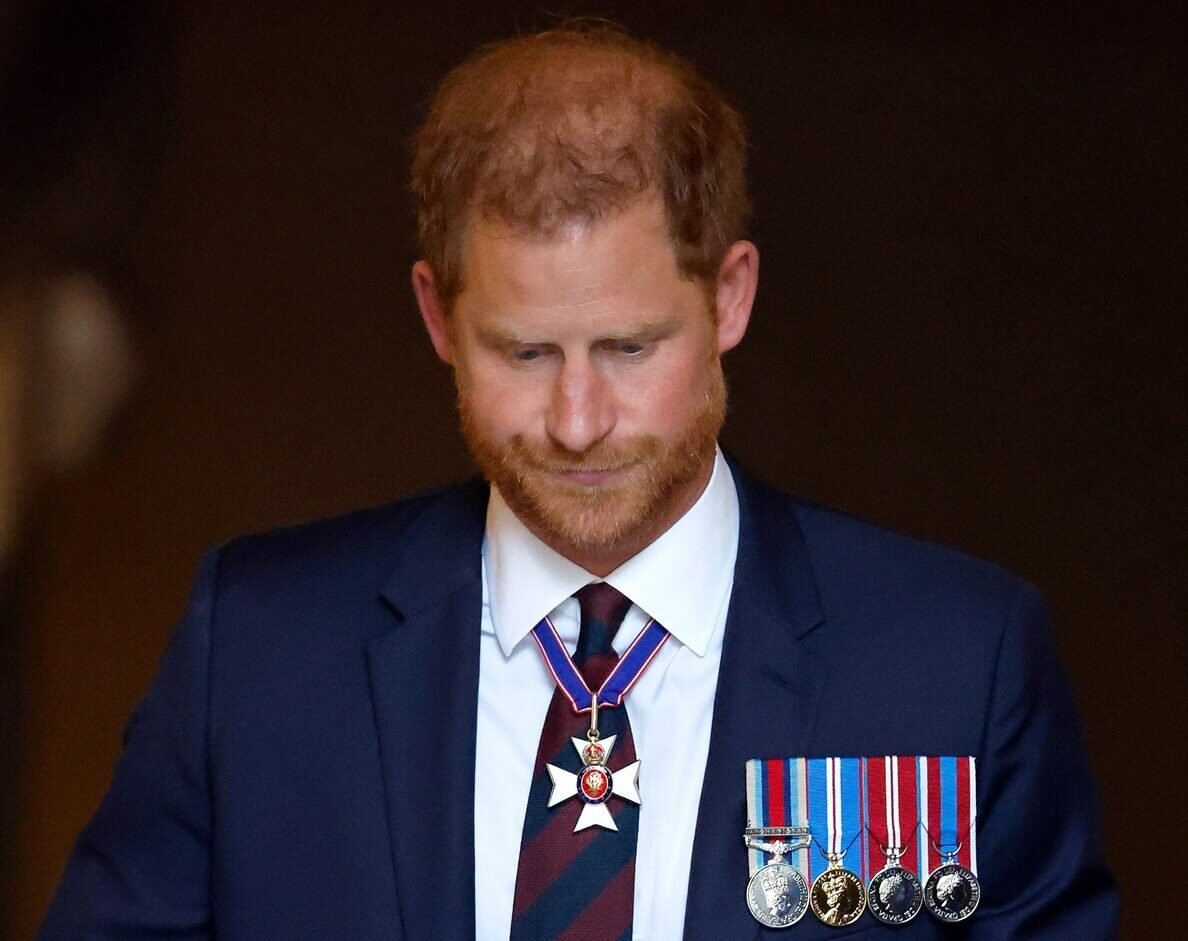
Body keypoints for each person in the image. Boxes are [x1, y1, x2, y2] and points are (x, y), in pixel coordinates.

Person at [38, 23, 1118, 940]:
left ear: (730, 296)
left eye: (632, 348)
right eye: (525, 353)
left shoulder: (956, 661)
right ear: (436, 317)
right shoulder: (260, 654)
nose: (578, 420)